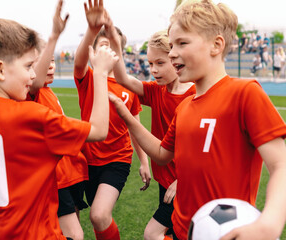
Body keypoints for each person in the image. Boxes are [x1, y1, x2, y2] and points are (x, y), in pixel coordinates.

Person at [108, 0, 286, 239]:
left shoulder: (245, 94)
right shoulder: (184, 108)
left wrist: (271, 222)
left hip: (227, 233)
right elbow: (162, 155)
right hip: (185, 231)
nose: (172, 53)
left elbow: (281, 165)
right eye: (171, 45)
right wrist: (128, 117)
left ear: (216, 45)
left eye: (182, 43)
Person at [0, 16, 119, 239]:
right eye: (29, 66)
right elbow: (98, 130)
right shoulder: (32, 116)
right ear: (0, 70)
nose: (32, 74)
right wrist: (101, 73)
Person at [107, 25, 195, 240]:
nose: (153, 70)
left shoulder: (194, 95)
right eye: (150, 64)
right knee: (176, 233)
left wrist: (183, 180)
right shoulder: (158, 91)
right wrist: (116, 44)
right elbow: (123, 80)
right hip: (165, 180)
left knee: (152, 234)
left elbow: (201, 147)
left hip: (182, 183)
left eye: (160, 63)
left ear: (176, 59)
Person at [73, 0, 151, 239]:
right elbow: (78, 62)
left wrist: (144, 161)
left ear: (119, 52)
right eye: (101, 45)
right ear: (94, 51)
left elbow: (134, 126)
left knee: (98, 215)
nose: (107, 51)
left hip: (117, 159)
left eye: (111, 47)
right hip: (88, 159)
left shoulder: (128, 86)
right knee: (98, 219)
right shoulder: (88, 77)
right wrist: (92, 30)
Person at [27, 1, 87, 239]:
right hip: (55, 177)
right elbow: (37, 81)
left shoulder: (49, 92)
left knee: (71, 227)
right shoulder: (33, 91)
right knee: (75, 234)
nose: (50, 67)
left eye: (52, 61)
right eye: (42, 63)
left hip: (70, 173)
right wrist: (54, 35)